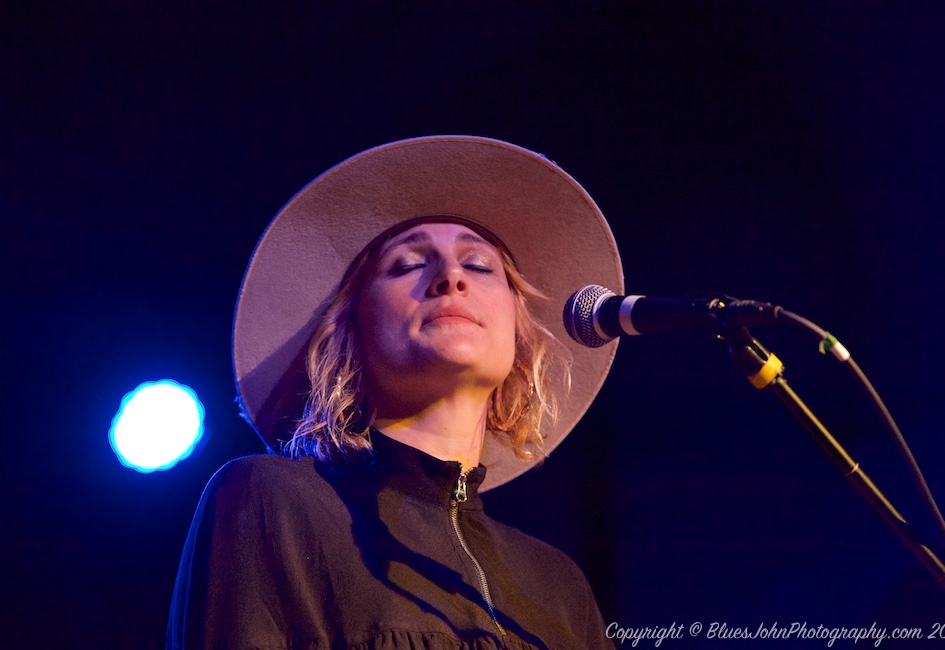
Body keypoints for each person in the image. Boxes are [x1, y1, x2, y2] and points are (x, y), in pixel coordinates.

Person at [167, 136, 624, 649]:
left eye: (478, 266)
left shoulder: (558, 585)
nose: (450, 277)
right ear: (350, 329)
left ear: (518, 331)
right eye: (407, 265)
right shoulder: (272, 502)